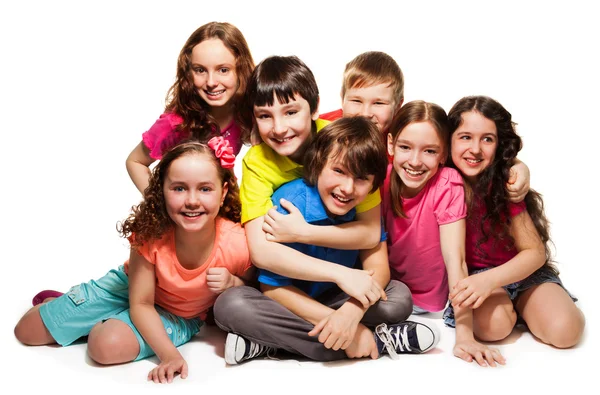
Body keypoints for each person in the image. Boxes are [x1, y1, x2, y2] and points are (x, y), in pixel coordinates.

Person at [14, 139, 253, 383]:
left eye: (205, 189)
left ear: (222, 193)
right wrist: (169, 354)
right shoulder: (151, 231)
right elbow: (140, 302)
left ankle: (103, 320)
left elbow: (256, 292)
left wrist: (233, 283)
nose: (192, 200)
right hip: (129, 289)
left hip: (177, 315)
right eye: (179, 188)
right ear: (161, 190)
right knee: (26, 331)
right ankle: (68, 304)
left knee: (104, 346)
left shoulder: (237, 242)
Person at [214, 117, 439, 364]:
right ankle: (376, 341)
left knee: (399, 297)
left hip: (338, 297)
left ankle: (270, 344)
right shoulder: (288, 205)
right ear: (318, 165)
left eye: (361, 179)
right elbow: (273, 288)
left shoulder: (363, 206)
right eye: (339, 171)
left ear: (374, 185)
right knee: (231, 305)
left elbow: (379, 269)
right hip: (288, 302)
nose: (347, 188)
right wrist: (346, 326)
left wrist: (351, 313)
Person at [444, 95, 585, 366]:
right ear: (448, 139)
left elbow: (534, 253)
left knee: (566, 332)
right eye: (464, 137)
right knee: (494, 327)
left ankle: (531, 304)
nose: (475, 148)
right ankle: (514, 309)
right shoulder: (443, 183)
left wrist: (517, 166)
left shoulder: (506, 183)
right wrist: (482, 282)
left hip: (521, 272)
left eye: (487, 139)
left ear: (499, 145)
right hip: (476, 276)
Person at [239, 55, 385, 308]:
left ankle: (301, 332)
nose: (279, 128)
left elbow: (371, 233)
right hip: (286, 278)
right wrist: (340, 275)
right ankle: (338, 333)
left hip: (339, 264)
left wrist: (305, 233)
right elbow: (261, 251)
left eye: (291, 112)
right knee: (234, 304)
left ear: (315, 107)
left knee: (397, 298)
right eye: (265, 116)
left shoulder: (344, 142)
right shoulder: (257, 162)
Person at [318, 51, 530, 200]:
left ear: (397, 106)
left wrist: (517, 165)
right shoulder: (324, 128)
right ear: (342, 98)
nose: (365, 113)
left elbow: (457, 148)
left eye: (379, 103)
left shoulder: (405, 136)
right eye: (356, 101)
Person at [126, 22, 255, 194]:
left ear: (241, 70)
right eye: (200, 70)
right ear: (188, 73)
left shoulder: (247, 112)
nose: (211, 82)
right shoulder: (177, 122)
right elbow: (135, 162)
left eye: (223, 70)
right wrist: (163, 207)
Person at [382, 100, 467, 316]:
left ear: (443, 155)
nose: (415, 161)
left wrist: (465, 334)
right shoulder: (381, 179)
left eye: (429, 151)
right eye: (405, 147)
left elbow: (455, 258)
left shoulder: (446, 183)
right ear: (391, 144)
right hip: (385, 291)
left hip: (428, 304)